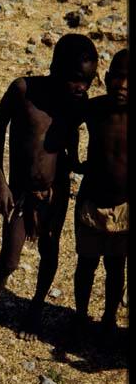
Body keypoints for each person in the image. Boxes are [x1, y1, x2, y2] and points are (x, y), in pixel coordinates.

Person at [0, 34, 98, 345]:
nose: (82, 87)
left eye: (89, 81)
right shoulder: (24, 90)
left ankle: (36, 308)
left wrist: (80, 160)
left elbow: (93, 129)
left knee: (50, 251)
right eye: (76, 79)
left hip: (54, 192)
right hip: (20, 192)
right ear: (55, 68)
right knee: (10, 258)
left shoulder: (78, 105)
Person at [72, 48, 128, 343]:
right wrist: (74, 159)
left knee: (116, 265)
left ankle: (108, 318)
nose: (123, 85)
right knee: (86, 263)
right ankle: (80, 316)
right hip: (91, 201)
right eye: (117, 76)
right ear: (106, 78)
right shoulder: (94, 109)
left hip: (123, 207)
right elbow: (67, 124)